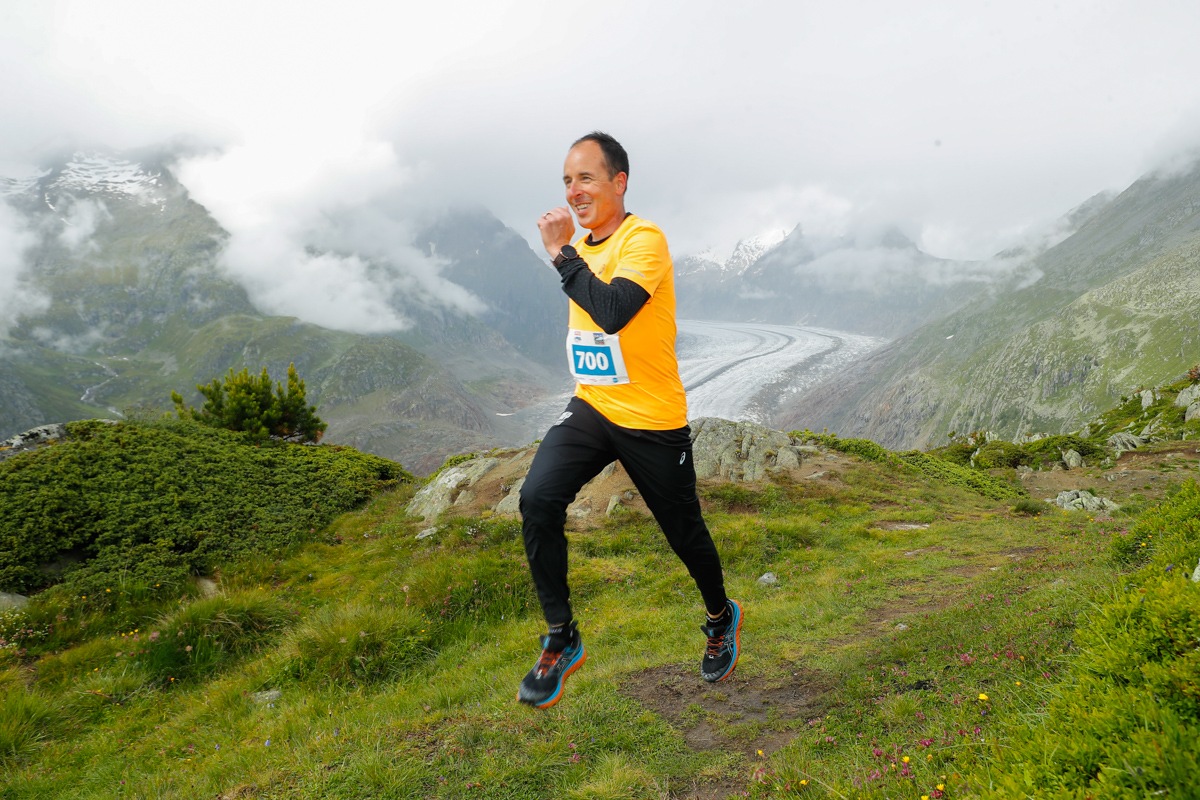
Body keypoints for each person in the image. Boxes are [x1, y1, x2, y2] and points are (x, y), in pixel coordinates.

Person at [517, 131, 742, 710]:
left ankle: (720, 616)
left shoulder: (645, 240)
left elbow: (615, 311)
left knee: (683, 532)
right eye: (567, 181)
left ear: (619, 181)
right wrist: (572, 254)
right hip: (594, 404)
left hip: (651, 415)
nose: (574, 192)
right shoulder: (582, 245)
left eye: (585, 178)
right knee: (538, 498)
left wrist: (563, 256)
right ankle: (561, 636)